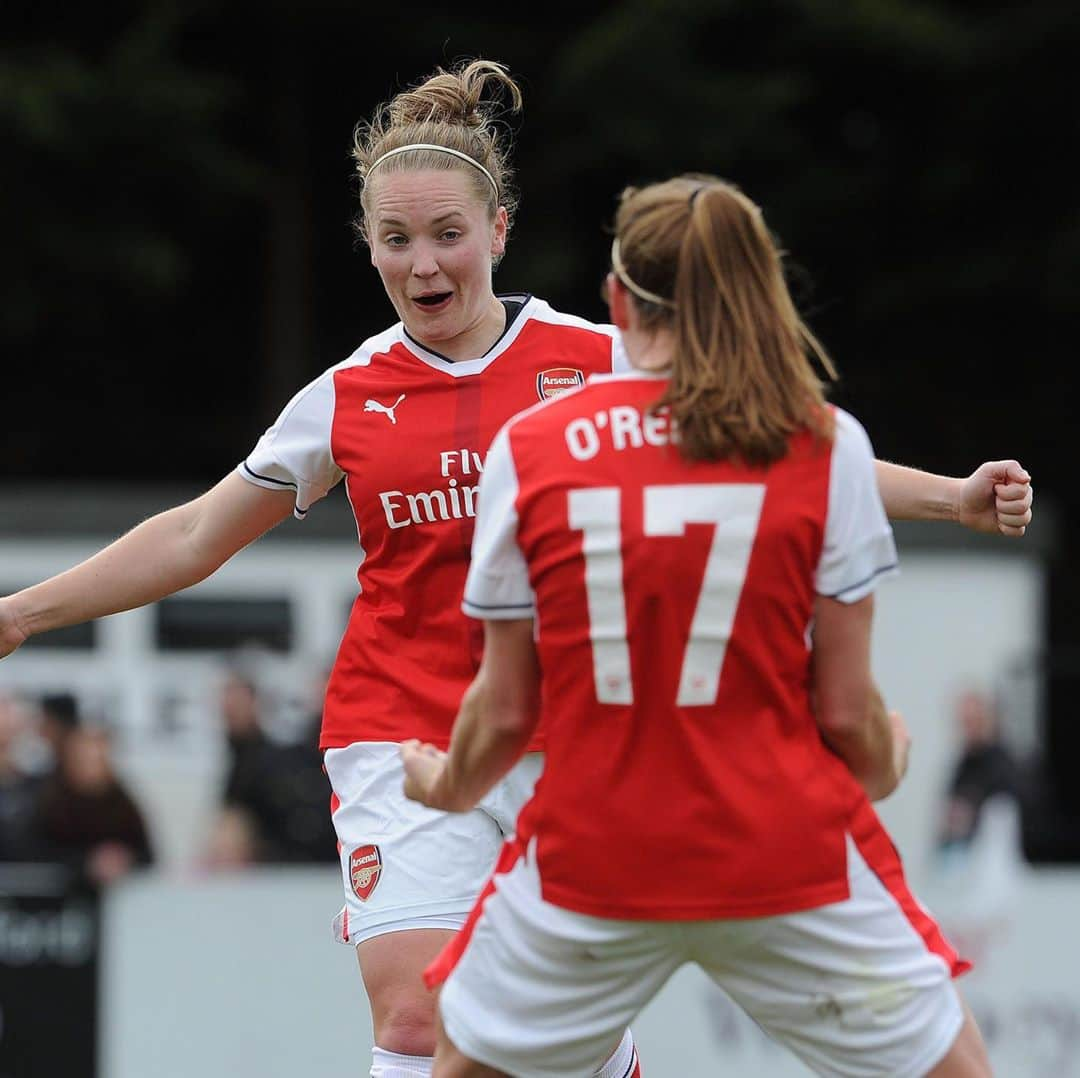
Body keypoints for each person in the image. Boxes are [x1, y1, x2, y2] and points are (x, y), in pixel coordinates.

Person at [0, 60, 1025, 1076]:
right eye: (397, 240)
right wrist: (23, 613)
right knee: (415, 1012)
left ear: (499, 230)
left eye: (449, 234)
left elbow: (784, 446)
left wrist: (954, 496)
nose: (425, 264)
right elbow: (194, 536)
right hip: (401, 729)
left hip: (575, 735)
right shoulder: (347, 395)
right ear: (369, 245)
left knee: (540, 1037)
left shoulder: (596, 360)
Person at [401, 173, 993, 1077]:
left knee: (451, 1062)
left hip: (590, 861)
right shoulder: (825, 443)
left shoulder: (533, 447)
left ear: (616, 300)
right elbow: (846, 716)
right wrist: (891, 757)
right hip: (781, 857)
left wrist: (446, 785)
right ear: (758, 290)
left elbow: (507, 709)